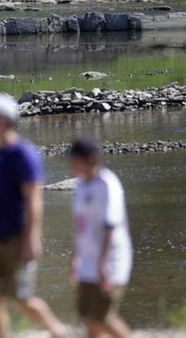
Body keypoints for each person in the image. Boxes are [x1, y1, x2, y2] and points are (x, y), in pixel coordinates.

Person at [0, 93, 67, 338]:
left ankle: (59, 332)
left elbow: (34, 198)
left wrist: (32, 238)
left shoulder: (24, 154)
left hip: (17, 237)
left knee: (22, 300)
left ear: (2, 121)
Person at [69, 139, 133, 338]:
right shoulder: (80, 184)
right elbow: (81, 226)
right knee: (88, 317)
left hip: (111, 261)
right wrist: (75, 257)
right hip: (87, 263)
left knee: (104, 317)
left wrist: (104, 263)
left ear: (91, 159)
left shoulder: (107, 183)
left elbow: (110, 226)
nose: (71, 164)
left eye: (75, 160)